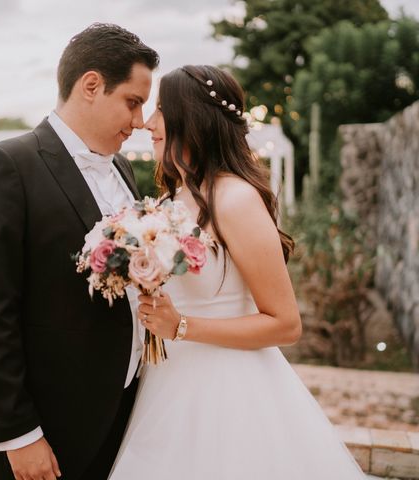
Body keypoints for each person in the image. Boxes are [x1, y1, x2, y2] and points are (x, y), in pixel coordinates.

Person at [108, 65, 365, 479]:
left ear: (192, 120)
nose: (149, 124)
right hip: (168, 385)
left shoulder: (236, 199)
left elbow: (286, 324)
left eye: (160, 110)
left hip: (230, 395)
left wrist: (182, 326)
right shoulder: (175, 197)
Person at [0, 23, 158, 480]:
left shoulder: (123, 169)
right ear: (91, 85)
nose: (141, 120)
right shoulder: (8, 165)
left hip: (126, 414)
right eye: (133, 100)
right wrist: (19, 435)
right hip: (49, 431)